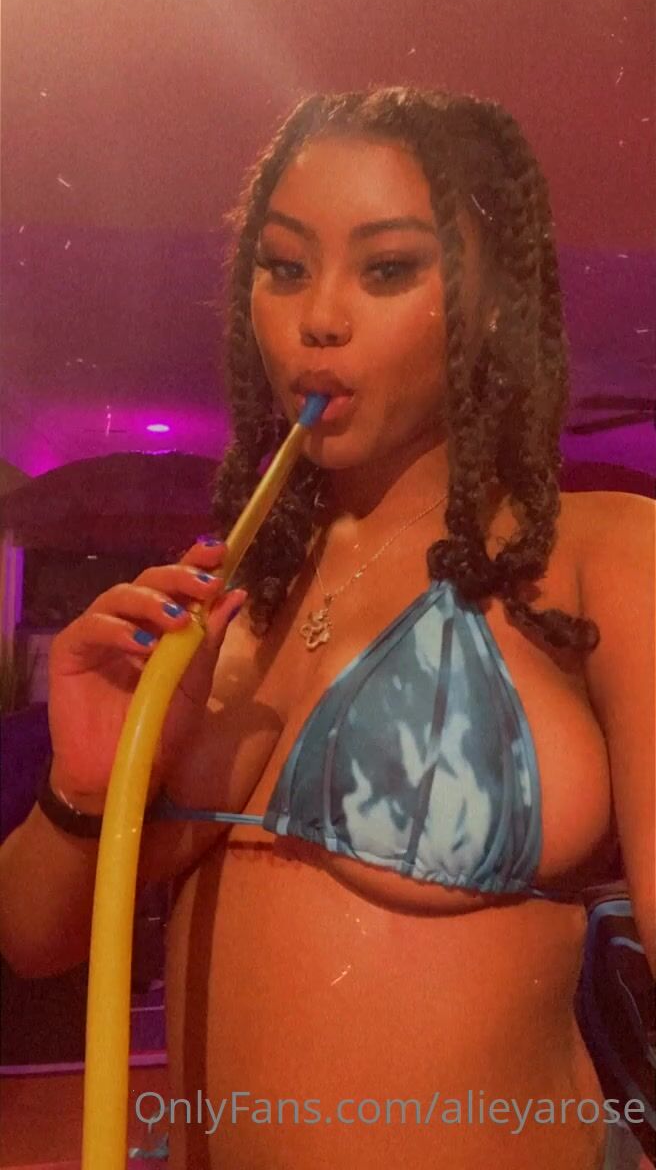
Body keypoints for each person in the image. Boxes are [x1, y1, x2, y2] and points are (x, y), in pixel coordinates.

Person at [0, 87, 653, 1170]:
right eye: (284, 266)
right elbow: (34, 939)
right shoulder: (228, 599)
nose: (319, 317)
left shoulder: (605, 555)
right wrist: (83, 786)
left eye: (387, 268)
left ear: (493, 302)